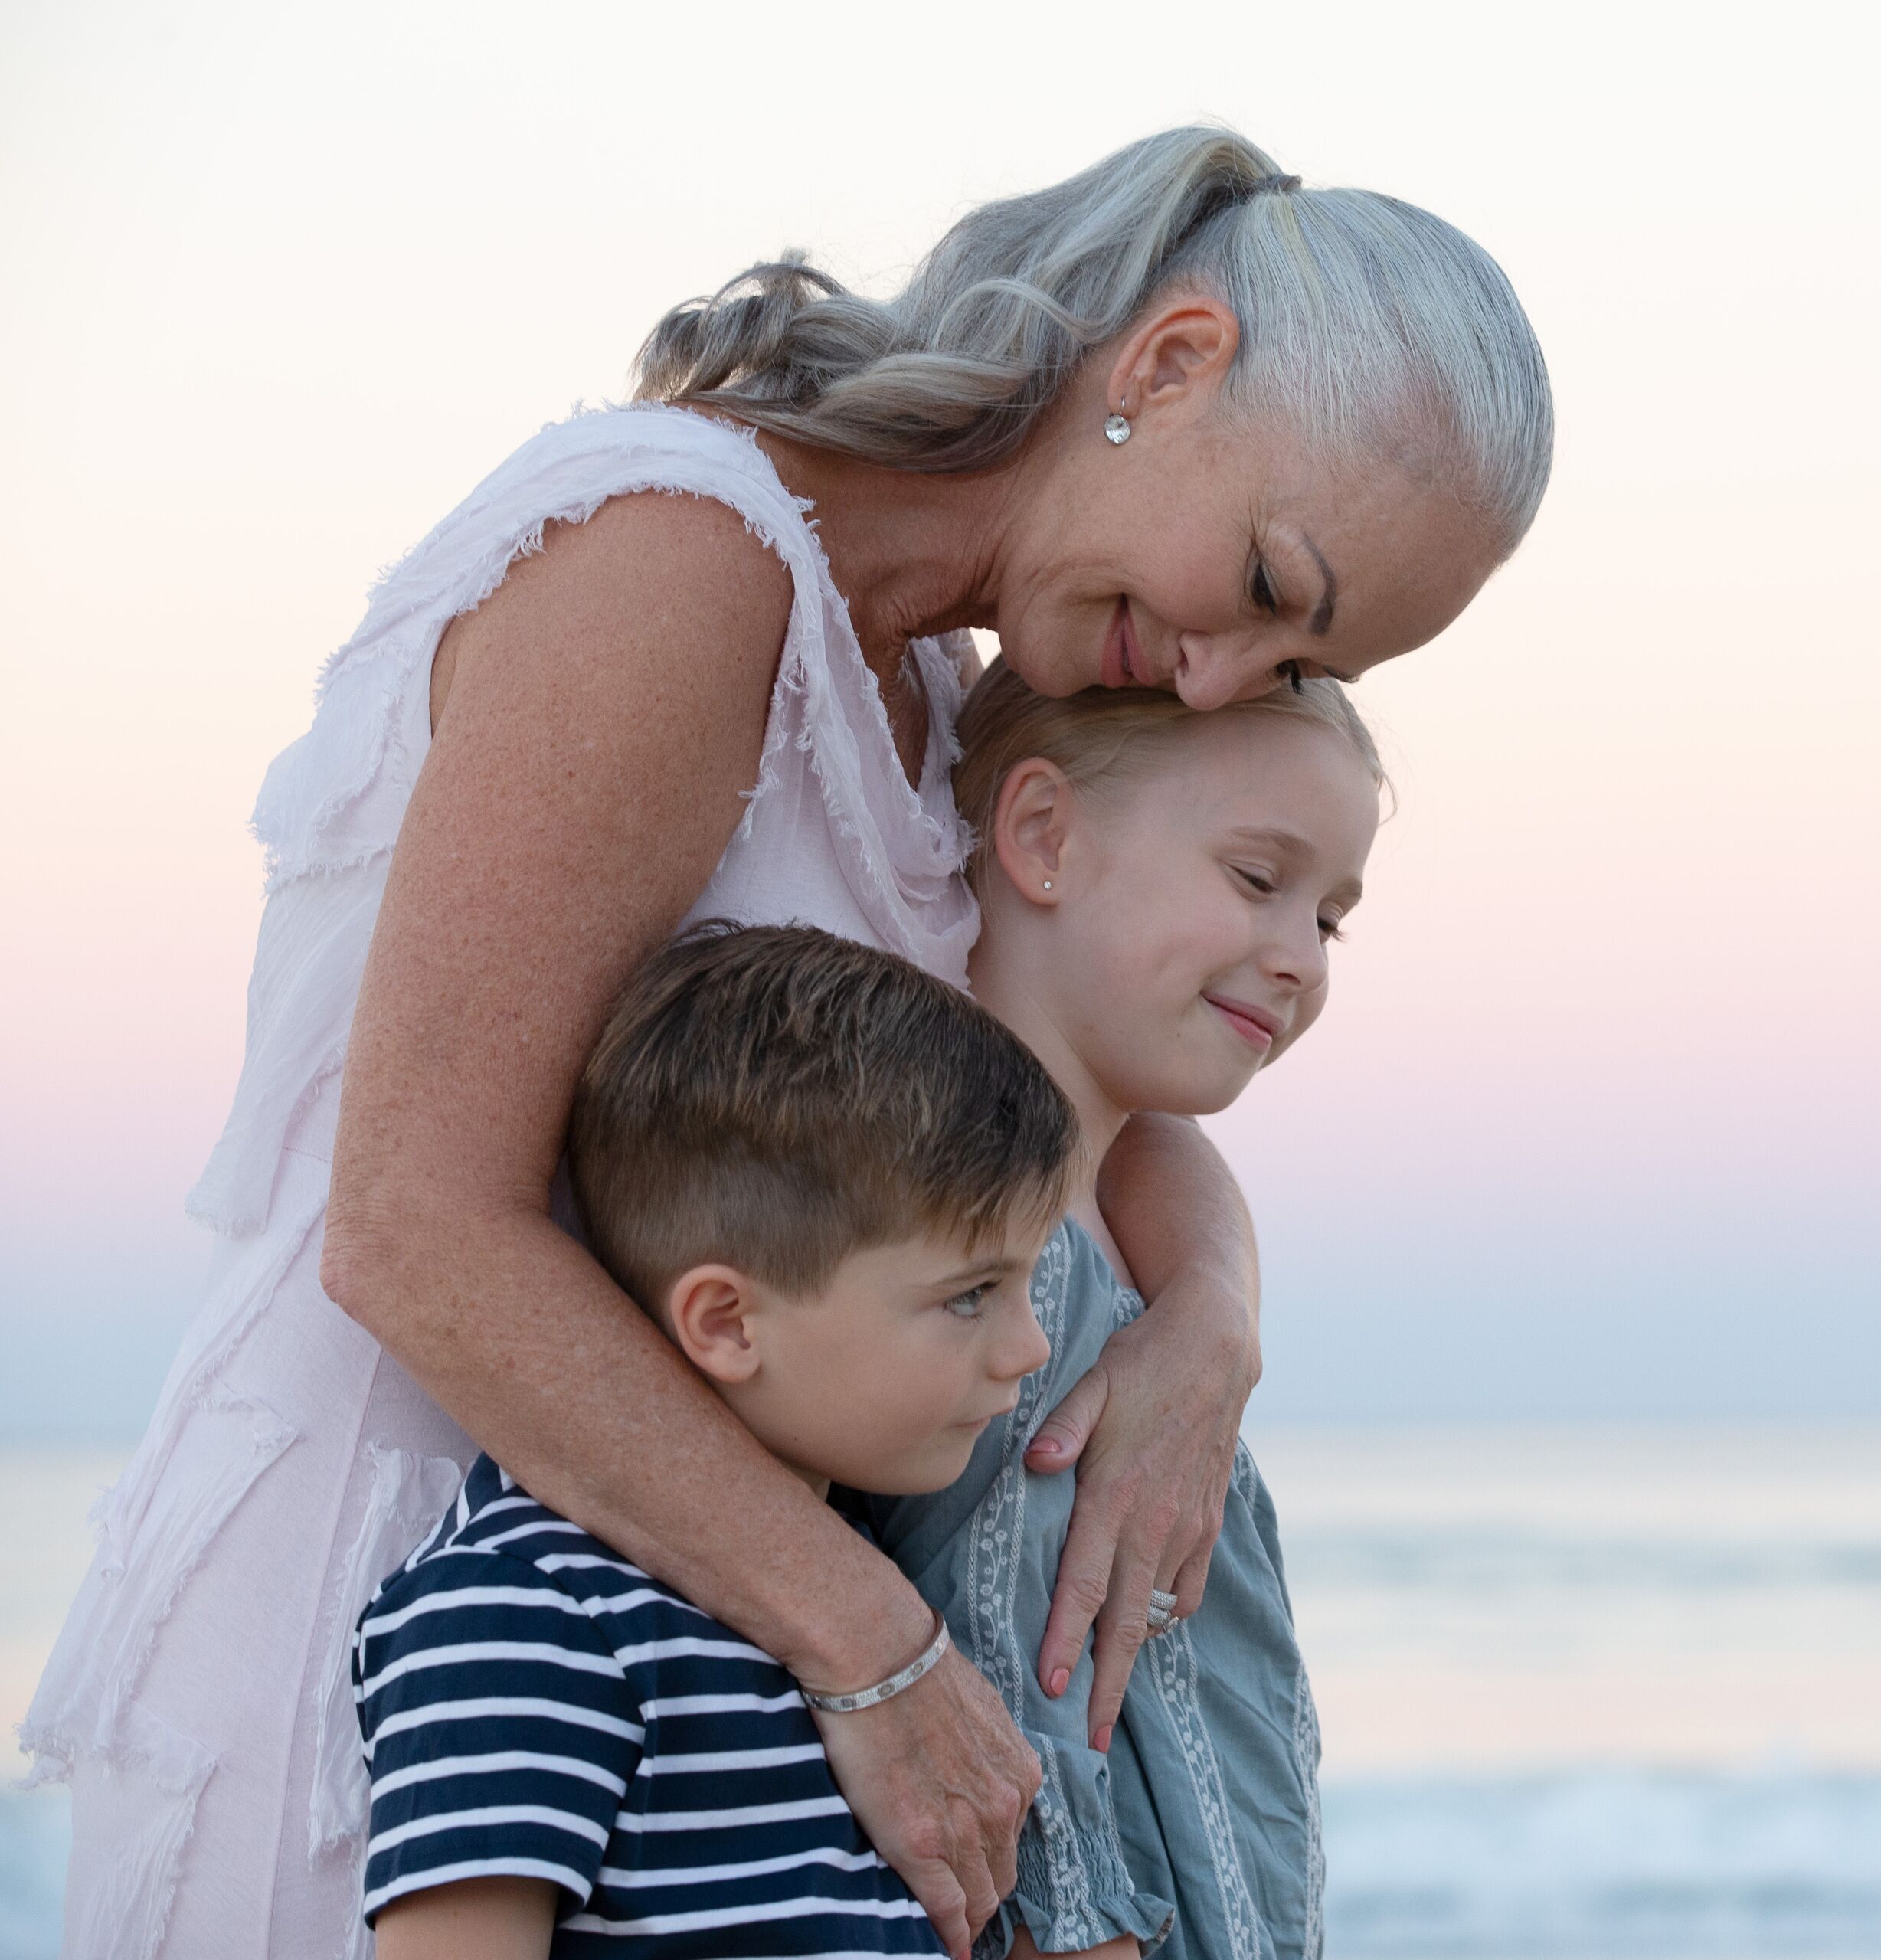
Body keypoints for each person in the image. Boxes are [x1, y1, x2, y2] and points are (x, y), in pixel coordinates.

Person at [26, 123, 1551, 1960]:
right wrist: (879, 1647)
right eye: (1268, 582)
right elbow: (415, 1230)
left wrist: (1210, 1323)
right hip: (434, 1657)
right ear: (1168, 364)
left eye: (1302, 668)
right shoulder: (678, 564)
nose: (1220, 679)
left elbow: (1082, 1101)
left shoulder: (926, 691)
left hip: (702, 1676)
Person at [354, 924, 1074, 1959]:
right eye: (971, 1296)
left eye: (1026, 1281)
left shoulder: (873, 1574)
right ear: (728, 1323)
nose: (1030, 1347)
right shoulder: (528, 1609)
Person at [858, 661, 1387, 1960]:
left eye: (1331, 919)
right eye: (1257, 879)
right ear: (1043, 838)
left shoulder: (1122, 1248)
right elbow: (1011, 1678)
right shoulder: (1004, 1279)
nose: (1300, 958)